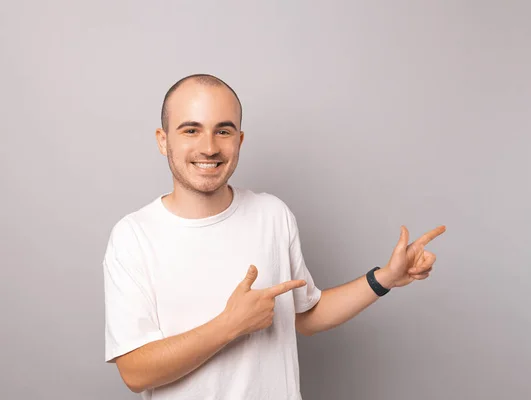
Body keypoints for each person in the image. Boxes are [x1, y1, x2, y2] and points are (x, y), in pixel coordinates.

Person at [102, 73, 446, 399]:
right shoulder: (133, 237)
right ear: (164, 141)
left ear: (240, 140)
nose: (209, 147)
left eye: (223, 131)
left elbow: (306, 316)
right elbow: (135, 371)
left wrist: (385, 277)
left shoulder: (273, 214)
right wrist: (229, 325)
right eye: (191, 130)